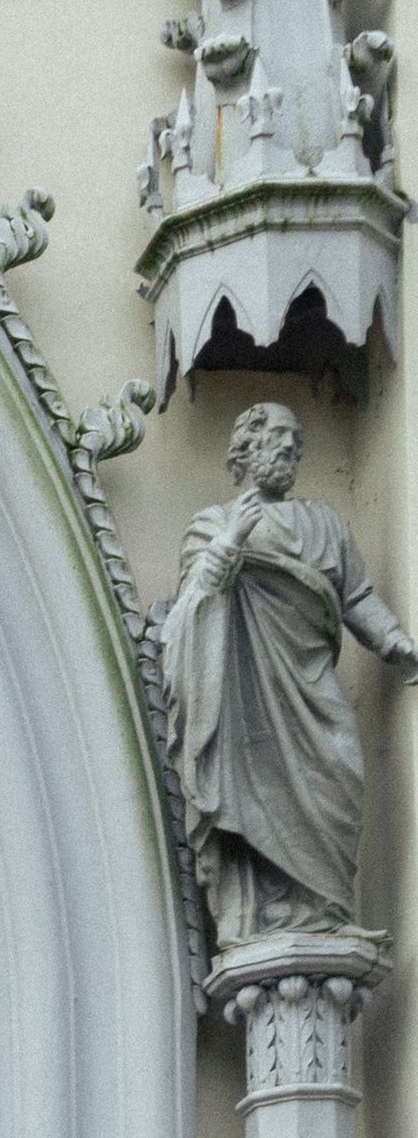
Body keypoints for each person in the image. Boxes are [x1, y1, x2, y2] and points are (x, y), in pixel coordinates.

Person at [158, 397, 418, 955]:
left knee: (339, 772)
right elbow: (188, 617)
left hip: (311, 688)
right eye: (279, 436)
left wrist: (393, 639)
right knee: (251, 792)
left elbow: (356, 596)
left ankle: (327, 910)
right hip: (246, 703)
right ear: (247, 444)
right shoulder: (214, 524)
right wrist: (231, 543)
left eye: (297, 442)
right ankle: (263, 916)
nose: (290, 448)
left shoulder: (325, 522)